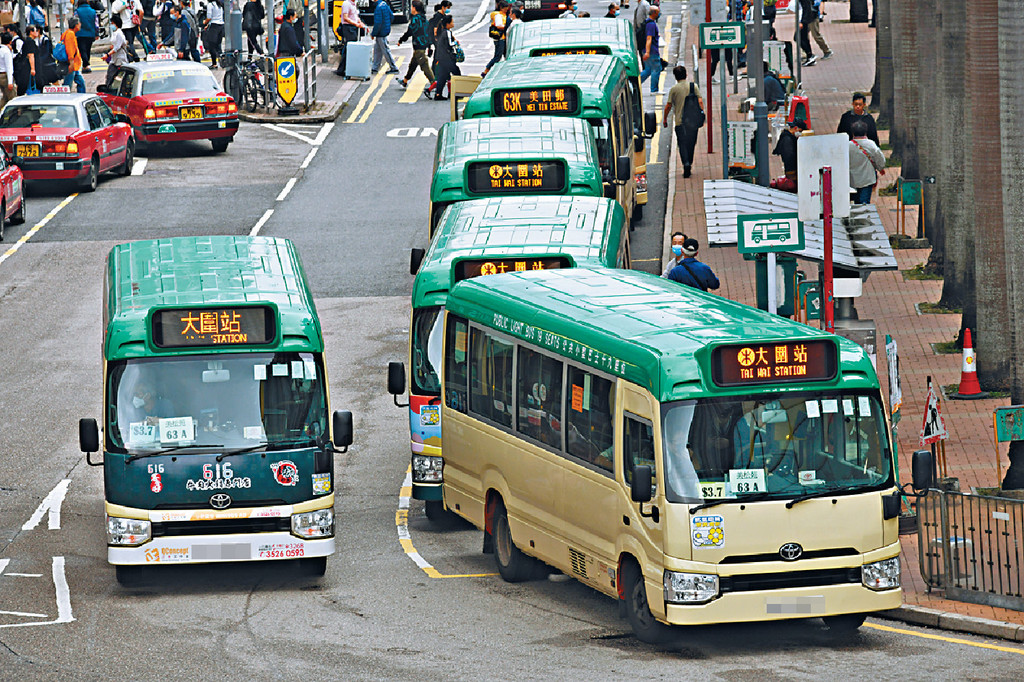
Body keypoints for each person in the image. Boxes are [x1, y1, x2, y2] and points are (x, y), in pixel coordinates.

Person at [663, 64, 703, 178]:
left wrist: (665, 119)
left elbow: (668, 106)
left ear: (675, 77)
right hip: (693, 122)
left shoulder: (674, 89)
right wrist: (701, 113)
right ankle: (689, 162)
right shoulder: (693, 86)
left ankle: (685, 163)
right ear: (686, 74)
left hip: (680, 123)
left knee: (682, 144)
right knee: (691, 144)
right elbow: (700, 101)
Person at [396, 1, 433, 88]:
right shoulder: (424, 18)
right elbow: (428, 33)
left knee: (425, 67)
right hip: (423, 46)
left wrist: (401, 40)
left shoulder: (415, 19)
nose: (411, 9)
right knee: (413, 65)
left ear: (415, 8)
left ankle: (434, 84)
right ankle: (405, 81)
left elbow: (410, 32)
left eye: (412, 7)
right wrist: (429, 45)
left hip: (419, 46)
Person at [848, 120, 885, 205]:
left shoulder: (848, 145)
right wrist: (880, 168)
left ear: (853, 133)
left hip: (852, 180)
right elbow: (880, 159)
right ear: (865, 132)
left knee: (855, 203)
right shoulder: (871, 144)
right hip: (867, 179)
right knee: (864, 203)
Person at [771, 118, 805, 193]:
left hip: (791, 169)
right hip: (791, 170)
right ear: (796, 128)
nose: (800, 133)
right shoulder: (788, 140)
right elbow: (789, 156)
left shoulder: (788, 137)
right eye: (800, 131)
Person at [334, 0, 365, 75]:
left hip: (353, 28)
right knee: (350, 49)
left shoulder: (353, 4)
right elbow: (345, 18)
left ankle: (342, 69)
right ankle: (343, 70)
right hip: (348, 28)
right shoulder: (346, 4)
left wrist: (360, 23)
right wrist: (356, 24)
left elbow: (355, 16)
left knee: (349, 49)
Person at [798, 0, 832, 67]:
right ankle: (807, 54)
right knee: (802, 36)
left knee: (815, 35)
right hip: (807, 17)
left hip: (811, 17)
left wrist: (802, 21)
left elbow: (808, 8)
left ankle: (826, 51)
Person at [431, 13, 457, 100]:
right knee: (457, 72)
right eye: (452, 22)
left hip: (440, 57)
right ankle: (459, 92)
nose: (453, 23)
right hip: (446, 58)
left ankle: (438, 95)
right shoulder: (447, 32)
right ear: (448, 24)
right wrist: (456, 43)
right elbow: (450, 44)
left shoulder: (442, 32)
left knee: (442, 76)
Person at [481, 0, 509, 77]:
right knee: (497, 56)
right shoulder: (498, 15)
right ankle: (486, 71)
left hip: (502, 38)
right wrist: (506, 27)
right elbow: (498, 25)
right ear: (501, 8)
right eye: (505, 9)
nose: (506, 10)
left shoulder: (502, 14)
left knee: (505, 55)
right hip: (499, 39)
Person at [638, 5, 661, 95]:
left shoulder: (647, 23)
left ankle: (635, 84)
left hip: (647, 50)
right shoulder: (651, 24)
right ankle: (654, 90)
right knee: (656, 68)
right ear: (654, 13)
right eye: (658, 12)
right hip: (652, 51)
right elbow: (649, 38)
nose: (659, 14)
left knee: (648, 70)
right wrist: (647, 52)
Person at [370, 0, 398, 74]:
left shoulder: (378, 8)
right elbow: (391, 16)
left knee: (385, 50)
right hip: (383, 30)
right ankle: (375, 68)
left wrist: (373, 33)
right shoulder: (384, 4)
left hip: (381, 32)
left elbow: (377, 23)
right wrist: (387, 24)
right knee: (377, 50)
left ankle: (394, 68)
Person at [61, 16, 86, 93]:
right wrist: (71, 62)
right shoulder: (70, 34)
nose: (80, 25)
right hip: (71, 64)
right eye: (79, 23)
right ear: (76, 25)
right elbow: (70, 49)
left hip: (74, 64)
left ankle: (81, 96)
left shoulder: (67, 33)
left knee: (80, 82)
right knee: (67, 85)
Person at [105, 14, 130, 89]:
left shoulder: (119, 33)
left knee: (120, 75)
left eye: (112, 23)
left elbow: (117, 47)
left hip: (120, 59)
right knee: (111, 75)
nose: (111, 25)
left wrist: (107, 54)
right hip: (114, 59)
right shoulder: (115, 33)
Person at [75, 0, 98, 74]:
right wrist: (97, 34)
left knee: (82, 50)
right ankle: (86, 66)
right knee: (87, 49)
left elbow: (75, 22)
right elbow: (96, 24)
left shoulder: (77, 11)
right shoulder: (93, 11)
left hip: (80, 34)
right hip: (91, 33)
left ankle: (86, 64)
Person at [202, 0, 225, 68]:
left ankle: (214, 63)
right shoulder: (219, 4)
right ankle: (222, 62)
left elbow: (209, 17)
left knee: (212, 45)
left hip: (214, 26)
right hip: (220, 26)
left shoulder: (210, 5)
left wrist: (205, 22)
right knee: (218, 45)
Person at [0, 34, 14, 108]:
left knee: (5, 97)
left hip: (0, 75)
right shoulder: (6, 51)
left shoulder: (1, 50)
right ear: (10, 41)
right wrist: (10, 82)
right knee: (12, 98)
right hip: (5, 76)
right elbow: (9, 67)